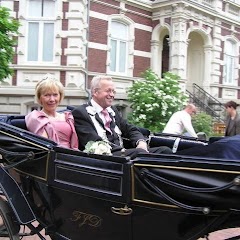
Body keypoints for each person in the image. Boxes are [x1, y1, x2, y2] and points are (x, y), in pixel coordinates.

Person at [72, 75, 172, 158]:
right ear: (95, 92)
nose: (112, 95)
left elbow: (130, 129)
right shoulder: (81, 113)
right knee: (139, 154)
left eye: (113, 91)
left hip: (124, 154)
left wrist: (140, 142)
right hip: (105, 158)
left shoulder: (113, 110)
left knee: (164, 151)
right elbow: (94, 142)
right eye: (108, 91)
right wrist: (127, 150)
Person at [25, 74, 79, 150]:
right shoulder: (36, 117)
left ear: (60, 96)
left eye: (55, 95)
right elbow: (46, 146)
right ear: (40, 98)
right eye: (47, 95)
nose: (52, 99)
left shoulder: (67, 117)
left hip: (74, 156)